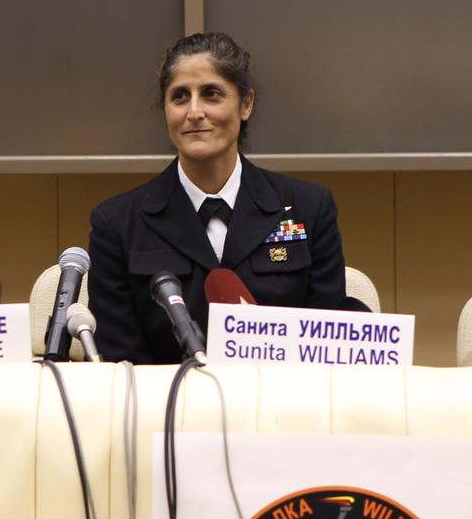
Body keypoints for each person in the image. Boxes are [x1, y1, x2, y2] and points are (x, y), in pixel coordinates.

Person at [88, 32, 357, 363]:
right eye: (180, 97)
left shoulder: (309, 208)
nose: (195, 111)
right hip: (166, 410)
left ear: (246, 104)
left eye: (212, 94)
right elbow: (119, 364)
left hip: (281, 408)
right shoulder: (117, 224)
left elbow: (326, 350)